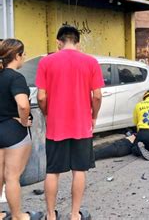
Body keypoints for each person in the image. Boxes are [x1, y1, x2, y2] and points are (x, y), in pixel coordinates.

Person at [36, 25, 104, 220]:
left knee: (53, 171)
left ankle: (50, 215)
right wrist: (93, 116)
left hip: (56, 126)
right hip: (82, 125)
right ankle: (75, 215)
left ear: (59, 42)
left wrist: (48, 113)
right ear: (78, 42)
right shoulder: (91, 62)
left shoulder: (46, 62)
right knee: (79, 170)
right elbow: (97, 96)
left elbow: (41, 97)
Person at [0, 39, 43, 220]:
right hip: (13, 133)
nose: (24, 57)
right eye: (23, 54)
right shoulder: (16, 77)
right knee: (12, 177)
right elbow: (24, 106)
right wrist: (24, 121)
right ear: (17, 55)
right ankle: (18, 216)